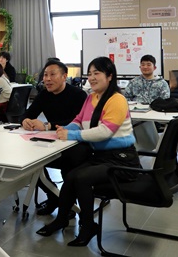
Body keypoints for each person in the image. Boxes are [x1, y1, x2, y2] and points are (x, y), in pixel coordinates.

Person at [35, 57, 139, 247]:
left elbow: (105, 131)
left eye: (96, 73)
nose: (91, 78)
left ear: (110, 76)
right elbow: (78, 120)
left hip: (122, 160)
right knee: (71, 176)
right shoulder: (91, 97)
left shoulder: (117, 99)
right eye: (89, 74)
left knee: (82, 178)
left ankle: (88, 225)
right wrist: (62, 130)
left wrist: (72, 135)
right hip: (101, 157)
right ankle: (61, 219)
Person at [20, 59, 87, 216]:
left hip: (74, 142)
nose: (47, 79)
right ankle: (53, 197)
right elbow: (27, 114)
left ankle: (69, 205)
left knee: (70, 162)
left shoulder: (78, 95)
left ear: (64, 76)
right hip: (52, 142)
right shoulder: (44, 95)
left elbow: (77, 122)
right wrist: (25, 121)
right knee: (30, 163)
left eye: (52, 74)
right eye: (45, 75)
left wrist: (47, 125)